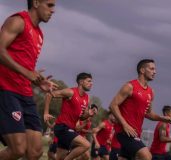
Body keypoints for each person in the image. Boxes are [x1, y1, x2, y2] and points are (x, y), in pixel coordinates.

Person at [0, 0, 56, 159]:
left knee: (35, 151)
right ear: (36, 2)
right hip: (6, 90)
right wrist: (27, 73)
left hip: (25, 93)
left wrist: (38, 80)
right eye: (50, 5)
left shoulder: (39, 34)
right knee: (18, 149)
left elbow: (23, 64)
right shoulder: (18, 21)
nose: (53, 10)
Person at [109, 59, 171, 160]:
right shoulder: (130, 86)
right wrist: (125, 125)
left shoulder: (151, 92)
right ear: (142, 70)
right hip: (124, 131)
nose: (154, 72)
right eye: (151, 69)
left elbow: (149, 114)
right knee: (146, 156)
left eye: (155, 69)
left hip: (136, 132)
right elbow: (113, 105)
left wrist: (162, 118)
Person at [44, 72, 98, 160]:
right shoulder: (70, 92)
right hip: (62, 127)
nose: (91, 83)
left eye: (91, 82)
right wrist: (46, 113)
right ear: (81, 82)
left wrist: (89, 114)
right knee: (86, 145)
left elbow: (81, 117)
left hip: (70, 129)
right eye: (89, 81)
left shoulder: (86, 98)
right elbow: (49, 94)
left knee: (60, 158)